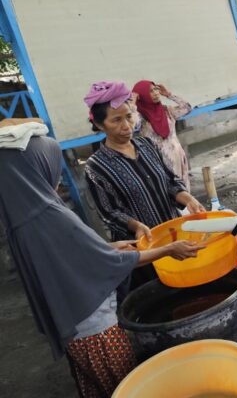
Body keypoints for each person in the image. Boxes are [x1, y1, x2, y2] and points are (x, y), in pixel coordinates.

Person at [0, 132, 202, 397]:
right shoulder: (50, 213)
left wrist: (106, 246)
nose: (57, 177)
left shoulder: (22, 220)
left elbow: (69, 255)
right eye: (50, 165)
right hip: (95, 330)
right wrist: (167, 250)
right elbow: (107, 264)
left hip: (73, 329)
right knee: (124, 388)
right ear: (33, 169)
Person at [83, 81, 206, 296]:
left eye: (129, 116)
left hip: (174, 236)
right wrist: (136, 225)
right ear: (100, 125)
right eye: (117, 120)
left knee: (190, 289)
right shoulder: (97, 167)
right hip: (142, 250)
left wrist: (187, 199)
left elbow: (170, 181)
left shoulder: (147, 145)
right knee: (160, 298)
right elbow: (110, 213)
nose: (127, 126)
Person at [132, 80, 193, 190]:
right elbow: (133, 125)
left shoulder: (167, 111)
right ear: (141, 96)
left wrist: (169, 95)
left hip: (177, 157)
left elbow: (187, 108)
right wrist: (132, 102)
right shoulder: (141, 117)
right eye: (151, 91)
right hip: (157, 162)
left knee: (185, 192)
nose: (156, 93)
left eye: (156, 89)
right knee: (167, 193)